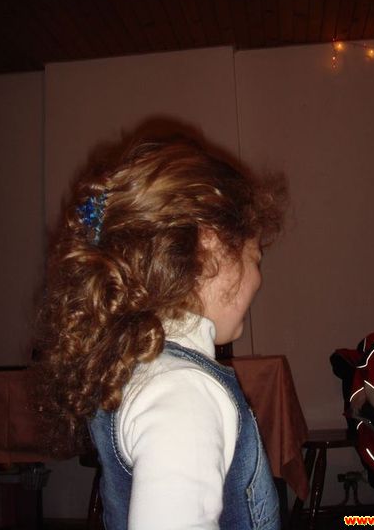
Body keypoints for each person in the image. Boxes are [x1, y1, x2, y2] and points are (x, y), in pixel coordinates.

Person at [35, 130, 286, 530]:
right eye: (255, 258)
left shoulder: (143, 369)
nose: (258, 279)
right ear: (208, 247)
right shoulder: (183, 391)